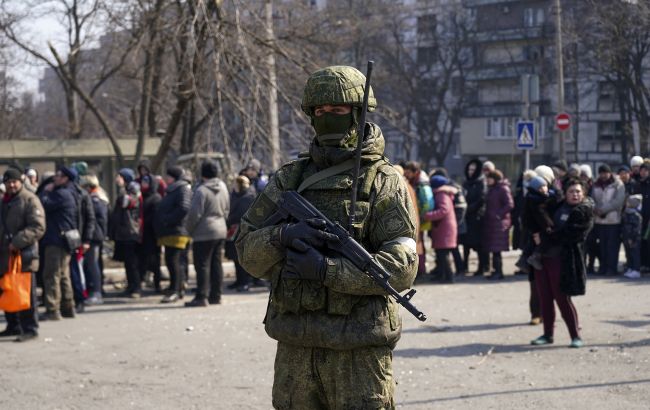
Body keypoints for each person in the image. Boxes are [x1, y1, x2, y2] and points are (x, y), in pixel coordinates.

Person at [236, 65, 417, 409]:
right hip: (296, 346)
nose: (327, 118)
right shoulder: (289, 179)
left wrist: (326, 270)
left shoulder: (384, 182)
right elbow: (246, 250)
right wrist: (283, 234)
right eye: (320, 111)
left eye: (337, 110)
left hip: (359, 350)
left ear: (358, 113)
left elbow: (400, 269)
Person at [530, 178, 593, 348]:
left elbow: (569, 235)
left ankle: (575, 336)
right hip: (543, 258)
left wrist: (543, 237)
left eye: (578, 191)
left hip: (564, 260)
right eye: (571, 191)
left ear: (583, 193)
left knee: (562, 298)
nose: (575, 194)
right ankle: (547, 334)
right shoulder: (557, 206)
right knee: (544, 298)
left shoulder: (583, 212)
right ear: (565, 194)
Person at [0, 167, 45, 342]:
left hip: (23, 254)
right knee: (7, 289)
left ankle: (30, 328)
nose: (11, 185)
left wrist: (17, 242)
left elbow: (38, 227)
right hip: (5, 255)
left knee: (25, 292)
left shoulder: (30, 200)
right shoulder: (5, 201)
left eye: (14, 181)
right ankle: (13, 325)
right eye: (8, 182)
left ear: (21, 181)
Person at [185, 160, 230, 307]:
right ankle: (216, 295)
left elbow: (194, 214)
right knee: (217, 263)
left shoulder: (201, 190)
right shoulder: (223, 186)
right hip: (220, 228)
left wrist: (189, 230)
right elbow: (227, 208)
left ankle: (201, 296)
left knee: (202, 264)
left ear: (203, 174)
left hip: (204, 231)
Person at [40, 166, 80, 320]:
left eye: (58, 176)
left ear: (66, 179)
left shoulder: (61, 194)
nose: (55, 178)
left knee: (52, 274)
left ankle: (52, 309)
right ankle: (68, 307)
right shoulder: (71, 192)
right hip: (64, 238)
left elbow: (43, 204)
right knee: (64, 275)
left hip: (56, 239)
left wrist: (46, 191)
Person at [155, 166, 191, 303]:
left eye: (168, 176)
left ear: (174, 177)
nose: (166, 179)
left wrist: (167, 219)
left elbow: (184, 208)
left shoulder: (182, 189)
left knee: (174, 260)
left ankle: (176, 290)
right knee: (171, 260)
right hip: (170, 231)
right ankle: (174, 287)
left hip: (178, 230)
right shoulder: (173, 189)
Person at [109, 168, 142, 298]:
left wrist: (122, 189)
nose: (117, 179)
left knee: (132, 262)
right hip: (123, 232)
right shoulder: (126, 190)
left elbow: (125, 203)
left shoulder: (133, 190)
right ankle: (130, 286)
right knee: (127, 262)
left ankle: (136, 288)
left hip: (130, 231)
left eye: (120, 177)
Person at [591, 164, 625, 276]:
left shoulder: (618, 184)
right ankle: (603, 267)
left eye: (605, 172)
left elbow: (618, 201)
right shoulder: (595, 185)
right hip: (599, 220)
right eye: (601, 173)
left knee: (612, 246)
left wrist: (603, 210)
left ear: (610, 173)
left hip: (613, 220)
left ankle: (612, 268)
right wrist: (595, 209)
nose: (603, 175)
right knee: (602, 246)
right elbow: (592, 199)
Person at [424, 175, 457, 283]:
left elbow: (444, 210)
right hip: (444, 228)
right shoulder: (442, 193)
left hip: (445, 228)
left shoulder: (441, 194)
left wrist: (428, 215)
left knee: (443, 254)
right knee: (441, 254)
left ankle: (449, 276)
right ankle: (442, 275)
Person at [403, 161, 434, 280]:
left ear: (415, 172)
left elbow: (427, 203)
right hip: (419, 218)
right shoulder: (417, 182)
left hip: (420, 218)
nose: (406, 175)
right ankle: (421, 270)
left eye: (408, 173)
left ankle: (421, 271)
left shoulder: (421, 184)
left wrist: (421, 217)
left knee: (419, 244)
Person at [225, 175, 256, 292]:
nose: (233, 186)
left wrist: (229, 219)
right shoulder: (236, 196)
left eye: (235, 184)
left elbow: (241, 215)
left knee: (242, 258)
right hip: (233, 231)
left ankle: (245, 282)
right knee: (235, 257)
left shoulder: (247, 197)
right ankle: (239, 280)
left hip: (242, 231)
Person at [82, 175, 109, 305]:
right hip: (96, 235)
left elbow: (97, 219)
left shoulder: (95, 200)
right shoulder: (99, 197)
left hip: (94, 236)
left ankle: (96, 292)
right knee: (93, 264)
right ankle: (96, 290)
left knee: (93, 264)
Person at [482, 169, 514, 280]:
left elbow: (509, 204)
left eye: (489, 178)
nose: (487, 180)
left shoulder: (502, 188)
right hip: (492, 223)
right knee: (494, 249)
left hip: (499, 224)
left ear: (494, 178)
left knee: (496, 250)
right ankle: (495, 271)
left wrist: (498, 215)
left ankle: (499, 272)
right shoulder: (493, 189)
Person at [462, 159, 488, 275]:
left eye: (473, 170)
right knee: (465, 245)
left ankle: (481, 267)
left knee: (479, 245)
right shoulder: (465, 183)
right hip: (466, 217)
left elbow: (481, 199)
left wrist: (470, 208)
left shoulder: (481, 182)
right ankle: (464, 266)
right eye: (469, 169)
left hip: (477, 217)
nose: (470, 172)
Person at [138, 174, 163, 293]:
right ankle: (143, 279)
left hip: (152, 234)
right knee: (142, 259)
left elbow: (156, 217)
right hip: (142, 234)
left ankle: (157, 283)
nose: (143, 184)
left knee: (154, 260)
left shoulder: (156, 198)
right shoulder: (141, 196)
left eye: (146, 182)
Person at [622, 194, 643, 279]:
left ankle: (636, 270)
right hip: (626, 237)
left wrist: (632, 238)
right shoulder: (627, 213)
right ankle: (630, 267)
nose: (627, 203)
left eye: (629, 202)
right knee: (628, 254)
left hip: (634, 238)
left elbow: (636, 229)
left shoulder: (636, 215)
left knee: (634, 254)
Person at [636, 164, 650, 271]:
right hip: (639, 217)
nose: (643, 172)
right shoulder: (638, 184)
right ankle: (642, 264)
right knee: (641, 242)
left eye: (646, 170)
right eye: (642, 170)